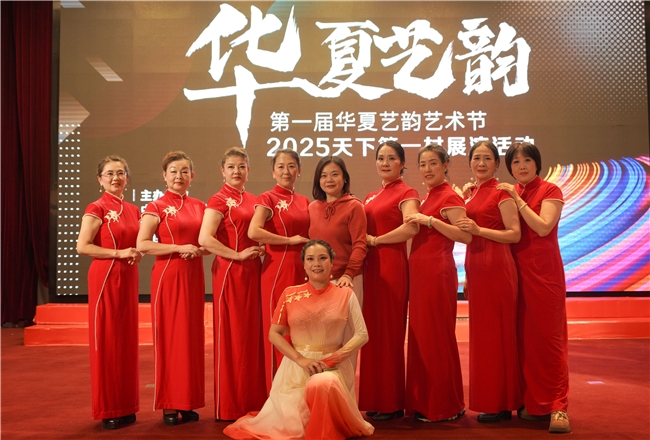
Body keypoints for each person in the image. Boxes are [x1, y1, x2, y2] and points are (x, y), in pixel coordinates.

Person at [223, 240, 375, 440]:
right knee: (295, 426)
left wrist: (331, 360)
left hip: (333, 368)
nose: (316, 264)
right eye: (310, 259)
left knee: (322, 384)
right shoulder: (290, 294)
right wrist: (301, 360)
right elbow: (274, 333)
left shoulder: (346, 294)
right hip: (295, 370)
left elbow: (362, 335)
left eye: (323, 258)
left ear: (332, 262)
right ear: (304, 264)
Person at [497, 142, 571, 434]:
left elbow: (543, 227)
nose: (522, 166)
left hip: (545, 275)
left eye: (527, 160)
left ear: (537, 163)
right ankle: (533, 403)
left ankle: (558, 406)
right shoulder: (510, 192)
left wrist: (518, 201)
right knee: (524, 341)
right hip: (515, 275)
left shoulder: (550, 190)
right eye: (515, 162)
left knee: (549, 340)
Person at [136, 151, 206, 426]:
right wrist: (178, 248)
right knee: (170, 337)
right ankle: (168, 404)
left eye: (184, 171)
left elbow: (207, 242)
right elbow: (143, 244)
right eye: (174, 171)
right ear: (164, 175)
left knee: (191, 339)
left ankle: (187, 402)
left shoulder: (200, 206)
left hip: (193, 275)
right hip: (169, 275)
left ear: (192, 175)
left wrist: (197, 249)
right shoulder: (157, 206)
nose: (179, 176)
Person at [455, 141, 522, 423]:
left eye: (487, 159)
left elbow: (514, 234)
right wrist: (467, 275)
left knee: (498, 337)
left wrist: (480, 229)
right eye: (476, 158)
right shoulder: (472, 193)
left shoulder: (501, 192)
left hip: (497, 268)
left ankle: (503, 402)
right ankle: (492, 400)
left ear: (496, 163)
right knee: (483, 338)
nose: (481, 163)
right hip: (477, 268)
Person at [404, 144, 471, 423]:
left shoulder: (449, 196)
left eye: (433, 163)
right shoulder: (428, 196)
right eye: (423, 164)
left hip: (436, 272)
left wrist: (430, 221)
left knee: (437, 337)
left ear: (445, 165)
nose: (427, 169)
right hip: (420, 273)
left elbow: (465, 235)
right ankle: (427, 402)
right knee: (422, 337)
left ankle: (445, 406)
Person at [198, 147, 266, 420]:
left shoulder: (254, 200)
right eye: (231, 167)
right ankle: (231, 405)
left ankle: (254, 400)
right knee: (233, 336)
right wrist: (236, 255)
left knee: (252, 336)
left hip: (254, 272)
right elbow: (205, 238)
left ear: (248, 170)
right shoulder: (218, 200)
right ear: (222, 171)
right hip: (230, 273)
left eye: (241, 166)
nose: (236, 171)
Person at [76, 156, 142, 430]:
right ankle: (109, 407)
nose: (115, 178)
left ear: (127, 177)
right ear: (100, 179)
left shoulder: (134, 209)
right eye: (109, 173)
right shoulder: (97, 207)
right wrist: (119, 253)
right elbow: (83, 246)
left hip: (128, 277)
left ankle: (126, 405)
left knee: (126, 342)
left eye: (120, 173)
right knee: (108, 340)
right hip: (106, 277)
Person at [359, 140, 420, 421]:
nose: (385, 163)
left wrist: (377, 240)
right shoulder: (370, 196)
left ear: (402, 163)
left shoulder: (407, 192)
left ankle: (392, 402)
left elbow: (411, 227)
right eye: (380, 158)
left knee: (390, 333)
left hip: (392, 265)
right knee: (372, 333)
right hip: (371, 267)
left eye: (391, 158)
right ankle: (375, 398)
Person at [248, 149, 310, 391]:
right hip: (277, 270)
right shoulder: (267, 198)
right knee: (280, 329)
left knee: (301, 330)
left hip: (302, 271)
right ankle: (278, 392)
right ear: (273, 172)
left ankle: (301, 389)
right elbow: (254, 231)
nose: (286, 171)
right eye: (281, 167)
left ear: (299, 171)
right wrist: (288, 241)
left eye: (292, 166)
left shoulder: (304, 201)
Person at [308, 156, 366, 291]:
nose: (329, 180)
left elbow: (360, 245)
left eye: (334, 174)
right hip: (316, 280)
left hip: (345, 280)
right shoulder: (312, 207)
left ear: (344, 178)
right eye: (323, 176)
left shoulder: (354, 206)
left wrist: (348, 274)